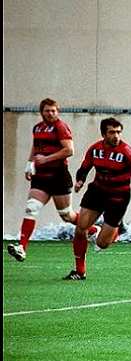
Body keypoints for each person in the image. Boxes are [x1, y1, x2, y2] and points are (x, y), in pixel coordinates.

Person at [7, 98, 97, 262]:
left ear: (58, 112)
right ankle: (22, 247)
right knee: (31, 207)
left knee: (66, 215)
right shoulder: (38, 128)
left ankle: (92, 230)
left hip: (58, 176)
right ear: (42, 112)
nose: (51, 113)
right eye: (48, 110)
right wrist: (30, 164)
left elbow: (69, 150)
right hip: (41, 177)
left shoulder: (60, 127)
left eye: (54, 111)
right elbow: (36, 147)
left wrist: (46, 159)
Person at [63, 117, 131, 280]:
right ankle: (80, 271)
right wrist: (80, 180)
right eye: (112, 132)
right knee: (81, 228)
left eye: (118, 132)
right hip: (97, 191)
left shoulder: (127, 153)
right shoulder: (95, 149)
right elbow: (84, 168)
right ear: (104, 134)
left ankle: (116, 229)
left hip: (118, 196)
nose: (116, 136)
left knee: (102, 244)